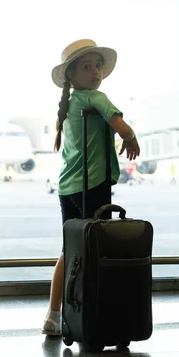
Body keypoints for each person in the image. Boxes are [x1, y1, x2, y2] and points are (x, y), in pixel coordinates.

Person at [42, 39, 141, 336]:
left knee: (69, 250)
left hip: (68, 188)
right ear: (71, 75)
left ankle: (54, 314)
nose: (95, 72)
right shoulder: (93, 98)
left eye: (97, 65)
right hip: (92, 185)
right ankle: (98, 312)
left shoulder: (68, 106)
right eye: (87, 66)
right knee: (98, 250)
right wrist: (131, 138)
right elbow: (121, 125)